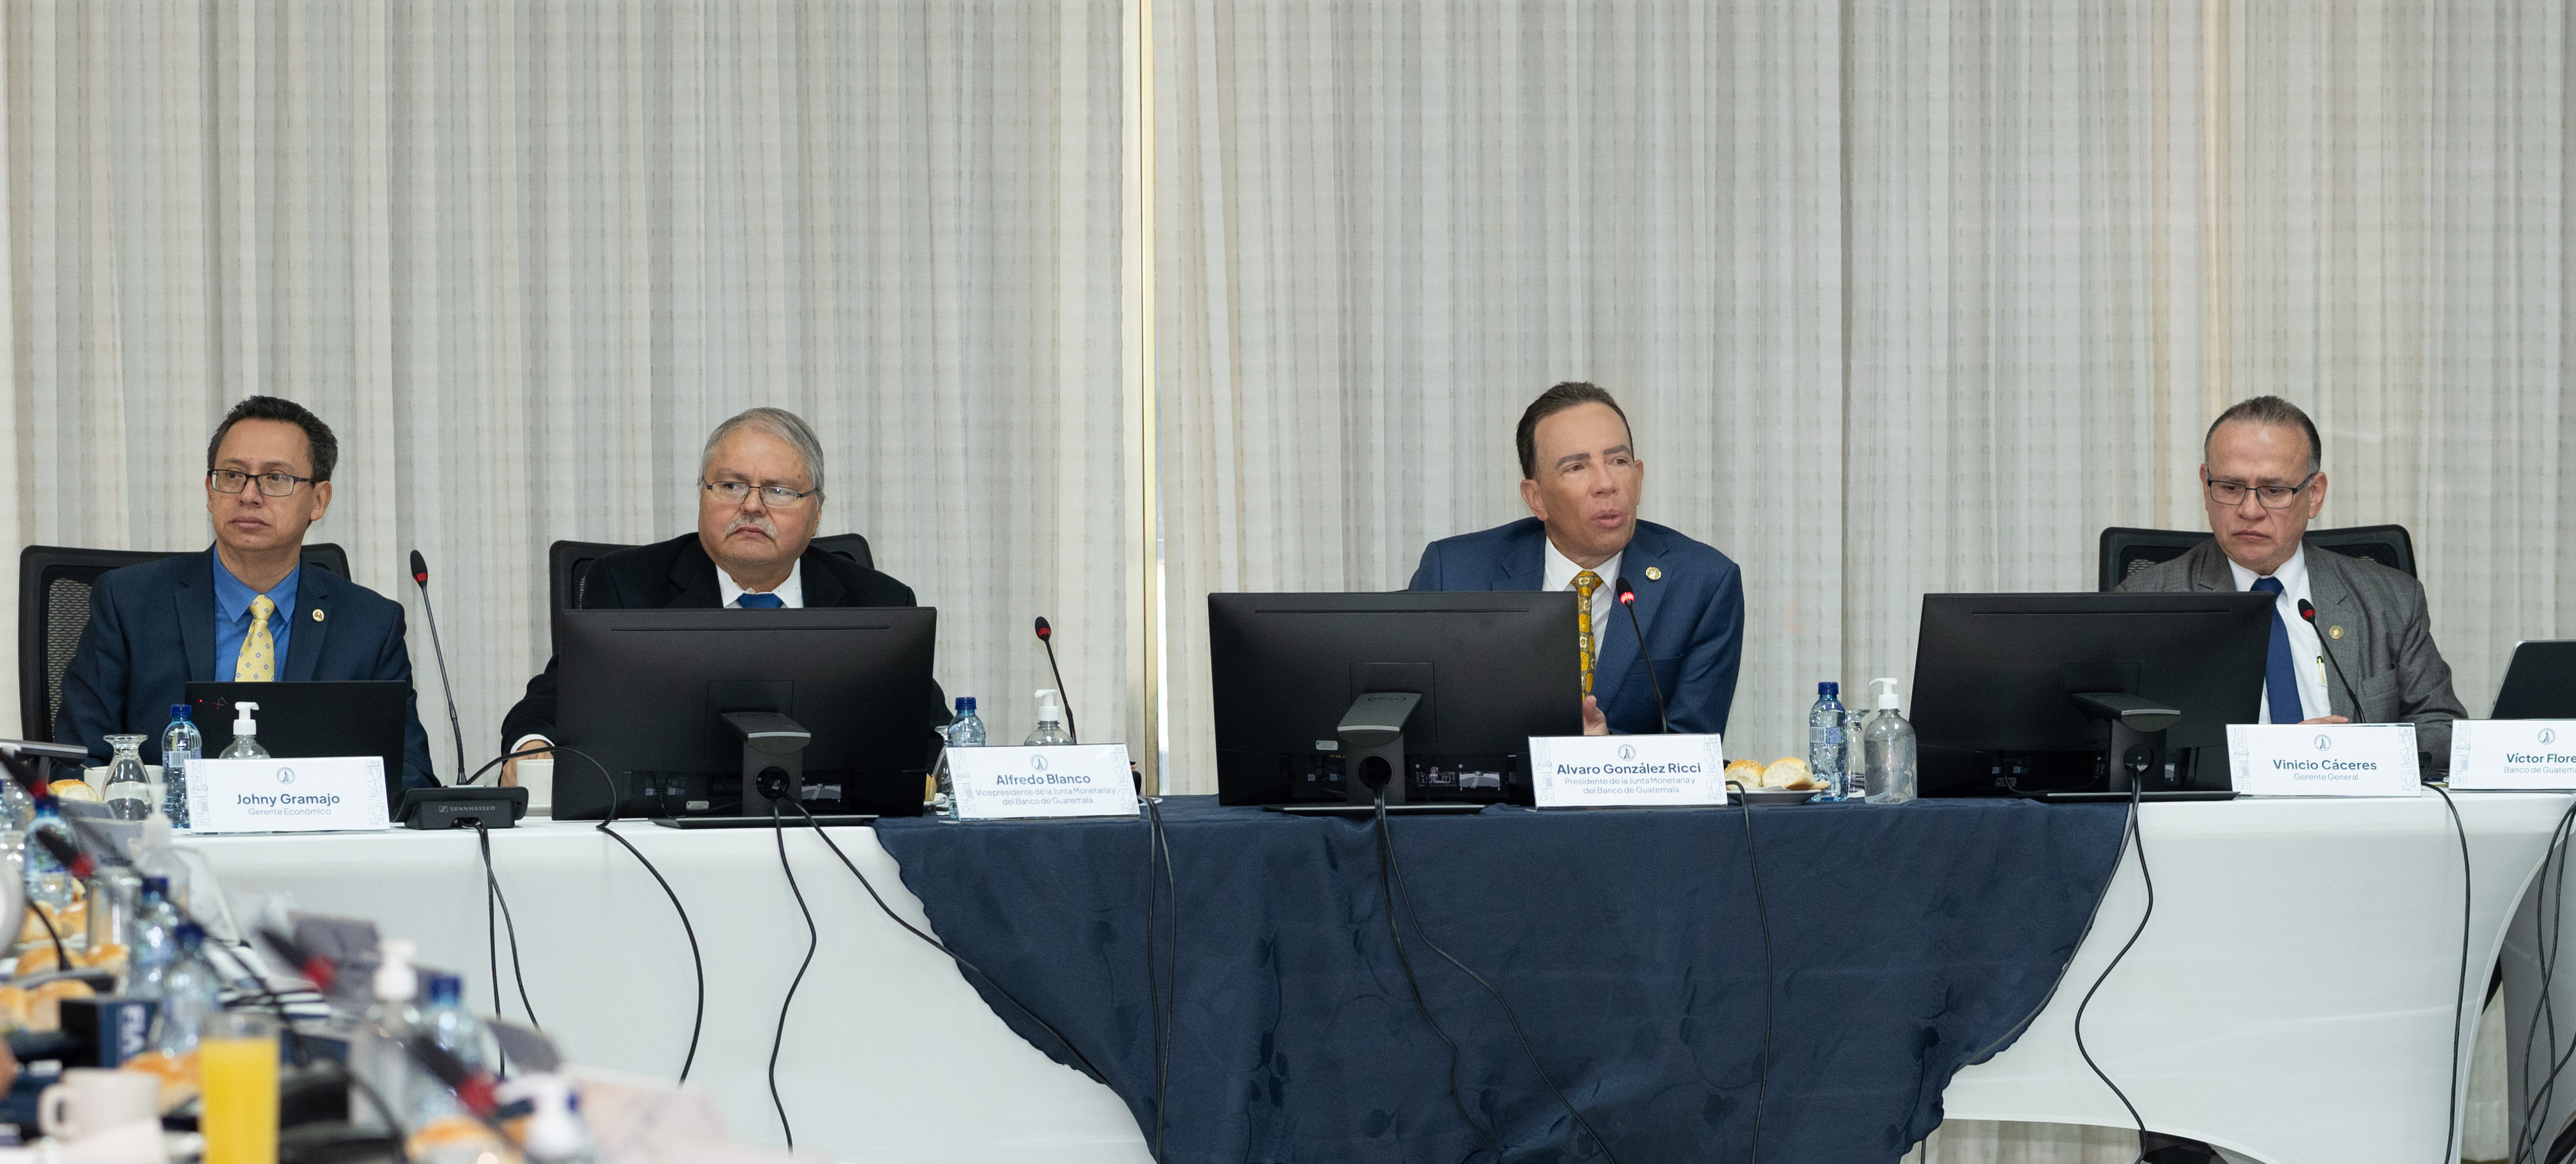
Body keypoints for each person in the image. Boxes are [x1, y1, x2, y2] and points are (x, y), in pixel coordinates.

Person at [498, 406, 945, 789]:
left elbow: (931, 735)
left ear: (817, 514)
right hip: (665, 834)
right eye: (732, 486)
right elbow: (556, 700)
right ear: (702, 495)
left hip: (836, 830)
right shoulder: (627, 587)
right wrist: (532, 746)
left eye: (779, 490)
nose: (751, 506)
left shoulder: (879, 601)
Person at [56, 396, 437, 789]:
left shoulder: (370, 626)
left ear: (319, 500)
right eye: (233, 475)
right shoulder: (129, 604)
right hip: (165, 827)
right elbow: (75, 764)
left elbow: (409, 777)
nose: (249, 495)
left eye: (276, 478)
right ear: (210, 492)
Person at [2119, 395, 2464, 770]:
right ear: (2206, 486)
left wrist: (2357, 753)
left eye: (2274, 491)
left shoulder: (2391, 600)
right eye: (2231, 488)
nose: (2250, 510)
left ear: (2314, 495)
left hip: (2355, 803)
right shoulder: (2144, 605)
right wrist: (2273, 757)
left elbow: (2442, 726)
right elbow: (2126, 750)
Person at [1407, 382, 1744, 736]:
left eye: (1618, 461)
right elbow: (1418, 733)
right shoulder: (1453, 575)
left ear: (1639, 478)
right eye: (1576, 467)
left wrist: (1607, 751)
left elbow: (1694, 747)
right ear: (1535, 499)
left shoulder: (1702, 584)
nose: (1606, 484)